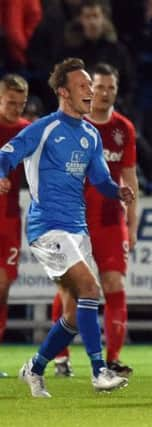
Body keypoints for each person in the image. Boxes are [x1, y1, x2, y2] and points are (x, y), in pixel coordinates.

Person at [0, 57, 134, 398]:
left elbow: (101, 179)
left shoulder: (90, 134)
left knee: (74, 315)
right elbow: (7, 154)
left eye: (90, 85)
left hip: (77, 229)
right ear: (64, 92)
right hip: (47, 227)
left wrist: (117, 190)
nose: (90, 91)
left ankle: (36, 366)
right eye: (82, 86)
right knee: (91, 289)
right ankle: (99, 370)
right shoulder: (44, 128)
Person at [50, 62, 139, 378]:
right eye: (97, 87)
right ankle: (61, 357)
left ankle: (113, 357)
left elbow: (129, 177)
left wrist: (132, 222)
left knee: (114, 284)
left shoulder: (123, 129)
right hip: (74, 218)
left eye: (109, 87)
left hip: (110, 220)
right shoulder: (70, 126)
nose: (102, 93)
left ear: (116, 90)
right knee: (70, 291)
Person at [0, 74, 31, 378]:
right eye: (10, 102)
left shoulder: (25, 132)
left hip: (9, 219)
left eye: (20, 104)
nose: (15, 109)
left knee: (2, 287)